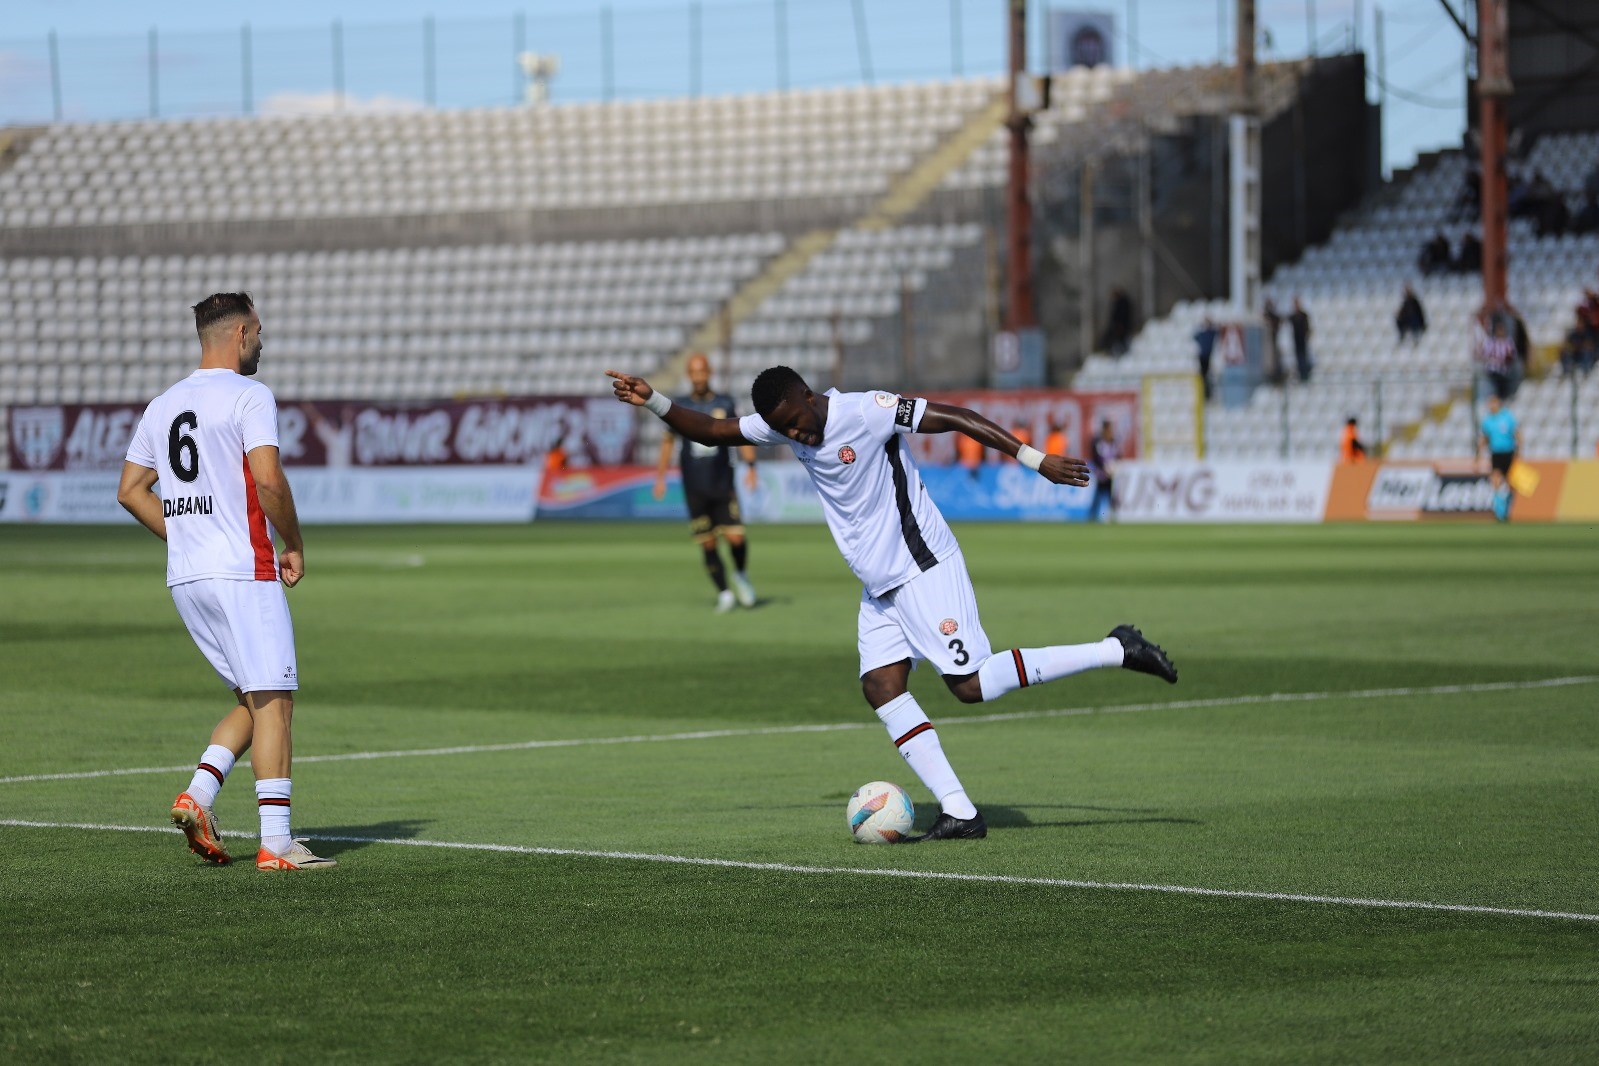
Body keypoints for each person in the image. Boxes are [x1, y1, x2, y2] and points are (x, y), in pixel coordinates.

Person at [607, 365, 1178, 842]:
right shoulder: (784, 423)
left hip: (922, 566)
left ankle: (1115, 649)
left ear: (809, 397)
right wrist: (652, 400)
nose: (795, 436)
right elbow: (710, 430)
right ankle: (960, 812)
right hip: (881, 585)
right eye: (783, 430)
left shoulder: (866, 410)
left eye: (796, 423)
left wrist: (1034, 459)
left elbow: (955, 417)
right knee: (881, 685)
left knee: (970, 686)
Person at [116, 293, 333, 872]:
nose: (262, 340)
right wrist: (294, 543)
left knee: (251, 696)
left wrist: (186, 536)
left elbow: (131, 489)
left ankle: (199, 797)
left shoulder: (163, 404)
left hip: (189, 576)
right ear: (239, 333)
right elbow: (269, 481)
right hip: (242, 570)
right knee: (276, 703)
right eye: (258, 330)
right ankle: (277, 843)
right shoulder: (248, 395)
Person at [652, 352, 758, 612]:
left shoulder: (726, 402)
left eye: (702, 371)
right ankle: (724, 593)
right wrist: (660, 476)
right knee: (708, 543)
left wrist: (751, 466)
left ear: (709, 372)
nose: (698, 376)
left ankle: (741, 575)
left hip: (723, 483)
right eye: (694, 372)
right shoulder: (680, 405)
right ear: (689, 375)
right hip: (695, 486)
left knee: (736, 539)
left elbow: (743, 434)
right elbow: (668, 442)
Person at [1477, 393, 1520, 523]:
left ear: (1498, 403)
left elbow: (1517, 434)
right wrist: (1478, 453)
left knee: (1511, 483)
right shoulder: (1487, 421)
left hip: (1509, 452)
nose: (1491, 406)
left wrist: (1519, 451)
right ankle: (1499, 510)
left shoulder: (1507, 417)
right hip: (1496, 453)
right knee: (1495, 479)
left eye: (1493, 403)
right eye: (1490, 403)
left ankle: (1507, 506)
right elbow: (1485, 438)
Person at [1088, 420, 1119, 522]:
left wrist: (1113, 466)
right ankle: (1092, 516)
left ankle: (1113, 515)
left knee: (1111, 495)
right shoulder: (1098, 441)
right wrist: (1102, 468)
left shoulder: (1113, 441)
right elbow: (1095, 456)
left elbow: (1116, 455)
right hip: (1101, 473)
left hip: (1110, 473)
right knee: (1098, 495)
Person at [1102, 286, 1134, 356]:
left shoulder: (1123, 303)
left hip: (1122, 326)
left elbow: (1123, 316)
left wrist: (1119, 325)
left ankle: (1123, 353)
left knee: (1122, 341)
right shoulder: (1117, 303)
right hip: (1119, 326)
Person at [1289, 297, 1313, 383]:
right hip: (1296, 341)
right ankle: (1300, 374)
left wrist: (1307, 335)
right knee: (1298, 358)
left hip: (1303, 340)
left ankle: (1305, 375)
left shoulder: (1304, 315)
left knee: (1304, 357)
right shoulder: (1292, 316)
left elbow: (1308, 328)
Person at [1193, 317, 1218, 399]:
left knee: (1208, 376)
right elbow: (1194, 336)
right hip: (1202, 357)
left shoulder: (1210, 333)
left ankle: (1208, 394)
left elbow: (1217, 332)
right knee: (1203, 376)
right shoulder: (1202, 333)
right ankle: (1204, 394)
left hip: (1209, 357)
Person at [1262, 300, 1285, 384]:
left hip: (1273, 343)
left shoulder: (1274, 317)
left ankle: (1276, 377)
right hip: (1269, 344)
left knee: (1275, 359)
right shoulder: (1266, 317)